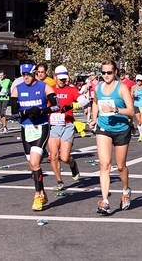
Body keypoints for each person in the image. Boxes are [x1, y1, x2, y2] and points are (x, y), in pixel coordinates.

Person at [10, 63, 60, 211]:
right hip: (26, 128)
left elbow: (56, 106)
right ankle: (43, 192)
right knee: (32, 165)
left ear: (35, 74)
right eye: (23, 74)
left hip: (41, 126)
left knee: (35, 161)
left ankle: (38, 195)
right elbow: (13, 112)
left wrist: (41, 111)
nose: (26, 77)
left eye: (28, 74)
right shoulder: (16, 89)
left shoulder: (44, 87)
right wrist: (26, 113)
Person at [88, 59, 134, 215]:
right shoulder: (98, 88)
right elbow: (95, 102)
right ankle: (105, 200)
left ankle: (126, 190)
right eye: (103, 72)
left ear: (115, 73)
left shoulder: (122, 89)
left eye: (109, 72)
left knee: (120, 166)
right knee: (105, 164)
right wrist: (94, 119)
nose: (106, 75)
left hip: (121, 129)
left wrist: (116, 110)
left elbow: (131, 111)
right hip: (104, 128)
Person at [48, 65, 89, 191]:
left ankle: (72, 164)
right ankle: (59, 181)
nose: (62, 81)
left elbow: (84, 101)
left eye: (64, 79)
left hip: (67, 125)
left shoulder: (71, 90)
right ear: (55, 77)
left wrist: (72, 105)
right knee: (54, 156)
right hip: (53, 125)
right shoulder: (49, 89)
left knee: (64, 157)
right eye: (60, 79)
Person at [131, 74, 142, 142]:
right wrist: (133, 95)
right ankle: (140, 134)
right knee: (138, 121)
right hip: (136, 105)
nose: (139, 82)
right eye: (137, 81)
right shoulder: (133, 87)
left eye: (140, 80)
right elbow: (131, 95)